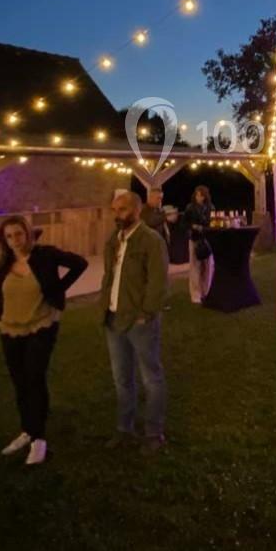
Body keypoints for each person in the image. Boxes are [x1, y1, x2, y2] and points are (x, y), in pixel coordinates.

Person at [0, 215, 87, 466]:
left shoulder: (44, 255)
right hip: (9, 327)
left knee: (34, 378)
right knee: (19, 381)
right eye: (8, 236)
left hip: (41, 325)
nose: (14, 241)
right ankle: (27, 430)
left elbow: (80, 264)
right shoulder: (0, 260)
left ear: (28, 234)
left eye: (18, 234)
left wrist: (57, 289)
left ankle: (39, 439)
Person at [101, 191, 168, 454]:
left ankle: (154, 433)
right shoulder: (113, 241)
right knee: (122, 379)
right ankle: (124, 428)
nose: (118, 214)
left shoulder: (151, 240)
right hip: (113, 319)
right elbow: (110, 276)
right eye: (115, 209)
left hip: (139, 322)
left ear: (137, 210)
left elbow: (159, 282)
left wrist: (146, 313)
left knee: (151, 378)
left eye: (124, 209)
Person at [183, 185, 214, 304]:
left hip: (207, 240)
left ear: (205, 196)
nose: (199, 197)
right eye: (197, 195)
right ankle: (195, 295)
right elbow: (184, 223)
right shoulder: (190, 208)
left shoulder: (210, 207)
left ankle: (206, 291)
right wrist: (193, 226)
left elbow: (213, 221)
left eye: (201, 195)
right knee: (195, 267)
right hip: (195, 240)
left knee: (207, 268)